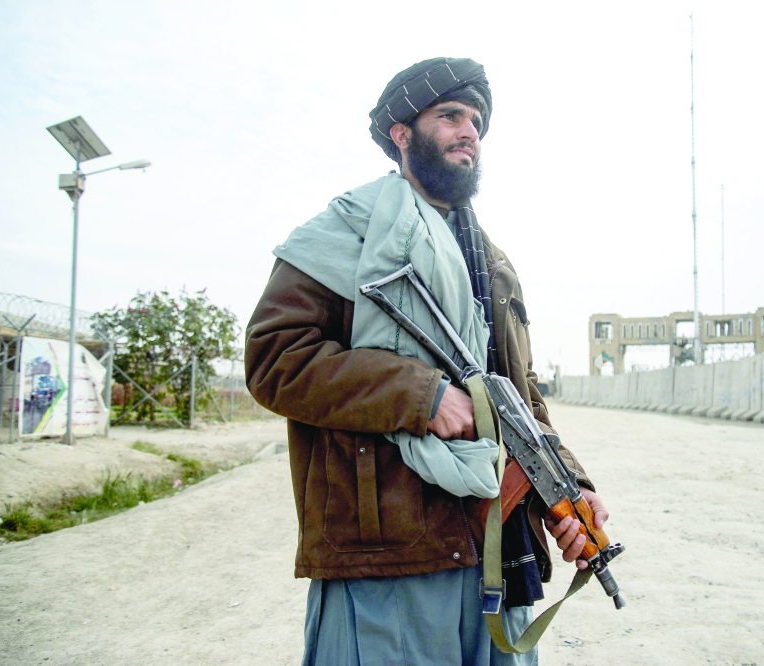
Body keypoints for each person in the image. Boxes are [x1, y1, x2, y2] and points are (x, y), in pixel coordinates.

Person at [245, 57, 609, 666]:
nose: (469, 131)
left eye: (476, 122)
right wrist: (421, 395)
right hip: (389, 550)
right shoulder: (345, 235)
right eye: (450, 117)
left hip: (497, 542)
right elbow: (274, 359)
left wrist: (569, 487)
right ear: (402, 135)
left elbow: (521, 399)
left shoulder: (492, 262)